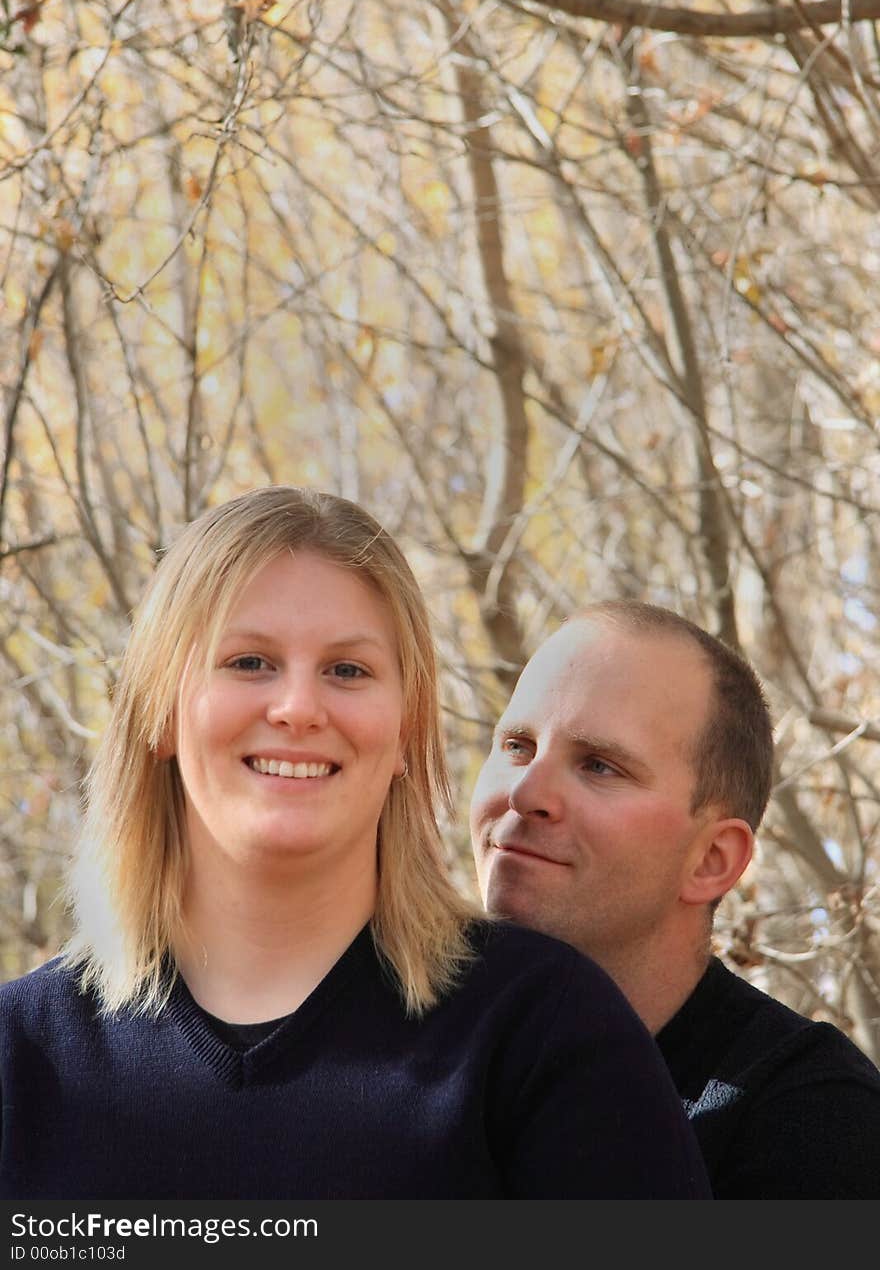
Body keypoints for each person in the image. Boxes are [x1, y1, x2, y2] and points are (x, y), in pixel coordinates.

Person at [0, 490, 710, 1200]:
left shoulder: (544, 1031)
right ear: (159, 713)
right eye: (249, 662)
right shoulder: (21, 1055)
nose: (300, 709)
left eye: (347, 670)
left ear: (405, 730)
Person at [470, 599, 880, 1199]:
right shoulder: (385, 1038)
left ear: (712, 861)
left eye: (599, 766)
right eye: (517, 745)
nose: (526, 791)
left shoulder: (814, 1122)